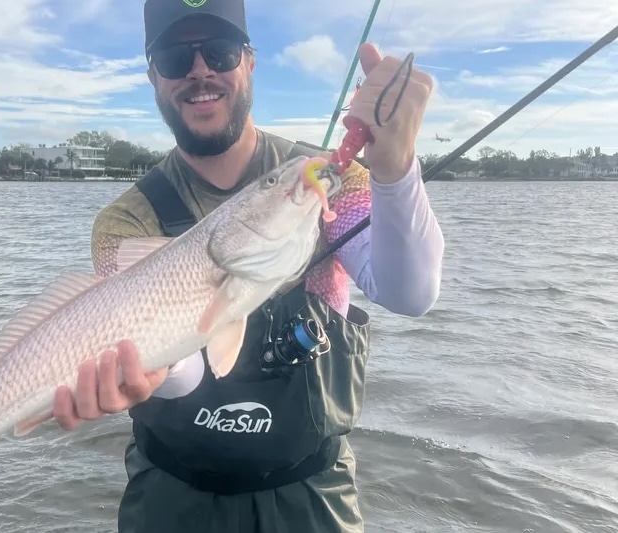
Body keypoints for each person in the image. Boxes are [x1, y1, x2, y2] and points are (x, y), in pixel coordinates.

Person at [52, 0, 444, 531]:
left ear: (250, 62)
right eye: (174, 58)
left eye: (219, 50)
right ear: (152, 78)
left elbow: (408, 292)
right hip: (172, 497)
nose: (200, 72)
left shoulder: (318, 176)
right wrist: (145, 375)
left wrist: (395, 170)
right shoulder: (125, 221)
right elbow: (183, 371)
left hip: (312, 495)